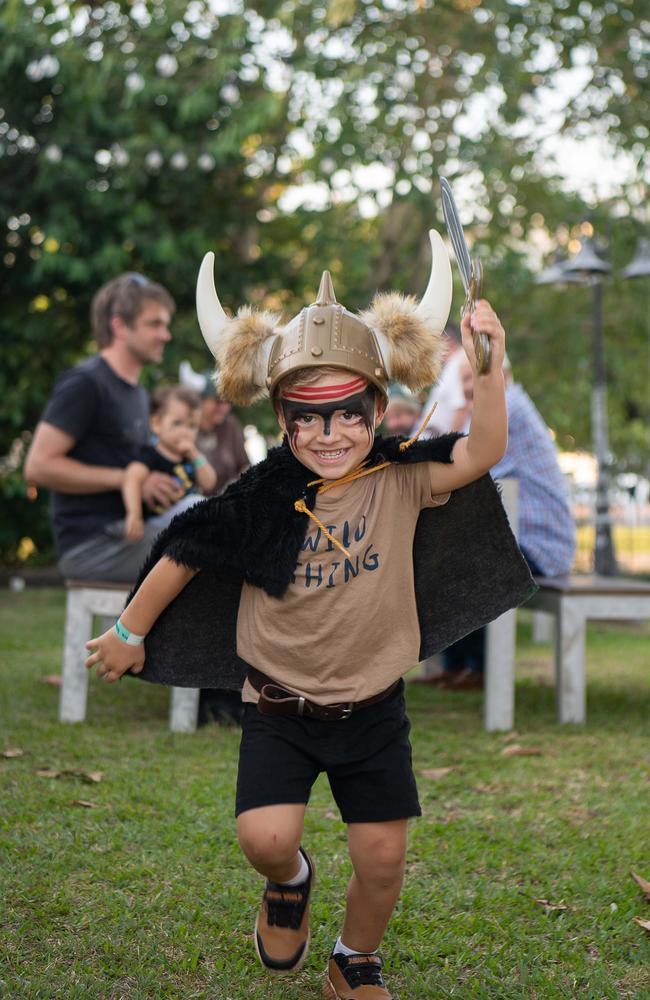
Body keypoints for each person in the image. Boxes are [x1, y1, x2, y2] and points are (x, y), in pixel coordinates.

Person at [84, 239, 534, 999]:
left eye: (347, 415)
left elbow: (484, 449)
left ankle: (353, 959)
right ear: (282, 418)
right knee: (265, 838)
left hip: (373, 708)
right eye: (307, 418)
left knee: (384, 857)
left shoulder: (402, 476)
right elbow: (184, 551)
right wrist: (130, 634)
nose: (329, 434)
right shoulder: (263, 493)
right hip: (278, 704)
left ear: (376, 409)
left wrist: (489, 368)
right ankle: (289, 884)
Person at [423, 354, 576, 690]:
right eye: (461, 380)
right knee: (447, 556)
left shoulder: (507, 408)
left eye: (472, 378)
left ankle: (480, 669)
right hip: (521, 534)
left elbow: (461, 465)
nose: (464, 389)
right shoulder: (497, 407)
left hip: (539, 543)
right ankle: (458, 664)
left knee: (465, 561)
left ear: (500, 375)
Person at [24, 273, 185, 583]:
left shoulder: (138, 394)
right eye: (155, 324)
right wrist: (130, 480)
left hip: (131, 532)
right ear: (119, 326)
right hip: (93, 546)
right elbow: (37, 467)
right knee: (207, 541)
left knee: (207, 514)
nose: (166, 335)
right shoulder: (86, 383)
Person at [122, 385, 217, 541]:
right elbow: (131, 478)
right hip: (159, 524)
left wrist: (194, 454)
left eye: (192, 426)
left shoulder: (190, 457)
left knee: (203, 507)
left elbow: (209, 483)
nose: (185, 431)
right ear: (157, 424)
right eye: (177, 423)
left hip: (187, 526)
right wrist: (134, 514)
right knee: (196, 504)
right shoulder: (151, 454)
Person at [179, 360, 249, 496]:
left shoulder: (231, 425)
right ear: (199, 401)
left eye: (228, 402)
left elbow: (244, 466)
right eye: (217, 401)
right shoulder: (184, 428)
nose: (224, 408)